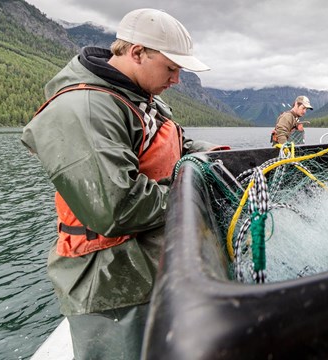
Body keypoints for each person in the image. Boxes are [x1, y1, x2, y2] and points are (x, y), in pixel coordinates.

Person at [20, 8, 226, 359]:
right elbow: (116, 206)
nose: (176, 80)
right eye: (171, 68)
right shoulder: (82, 110)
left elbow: (173, 145)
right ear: (136, 53)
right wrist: (197, 187)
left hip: (149, 269)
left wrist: (213, 156)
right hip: (111, 285)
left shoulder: (140, 96)